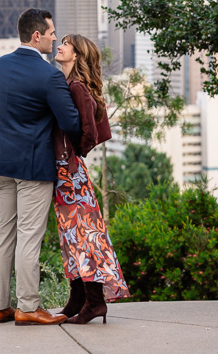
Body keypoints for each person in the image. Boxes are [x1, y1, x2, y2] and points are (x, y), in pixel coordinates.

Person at [0, 8, 81, 326]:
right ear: (37, 35)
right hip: (32, 166)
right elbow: (71, 122)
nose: (55, 37)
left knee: (3, 233)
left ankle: (0, 306)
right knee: (29, 236)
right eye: (52, 32)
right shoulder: (49, 76)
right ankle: (28, 307)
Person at [53, 34, 130, 325]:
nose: (59, 47)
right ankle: (78, 298)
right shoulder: (70, 85)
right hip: (67, 174)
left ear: (76, 55)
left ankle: (95, 302)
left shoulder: (77, 88)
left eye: (65, 44)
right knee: (72, 236)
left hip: (70, 174)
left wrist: (72, 156)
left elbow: (89, 133)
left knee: (84, 237)